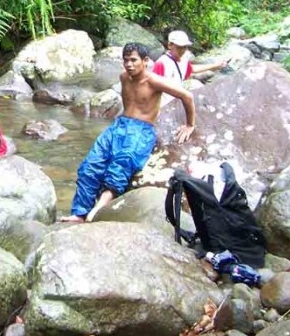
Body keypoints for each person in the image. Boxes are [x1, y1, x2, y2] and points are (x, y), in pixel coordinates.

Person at [61, 42, 196, 224]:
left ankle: (99, 209)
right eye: (126, 60)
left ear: (145, 61)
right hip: (119, 125)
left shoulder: (154, 81)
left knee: (121, 165)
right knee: (90, 166)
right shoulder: (124, 77)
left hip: (141, 130)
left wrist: (190, 125)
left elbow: (187, 96)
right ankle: (79, 213)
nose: (129, 65)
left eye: (134, 60)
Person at [153, 30, 228, 106]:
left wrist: (215, 66)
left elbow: (192, 69)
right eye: (179, 47)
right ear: (170, 45)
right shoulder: (161, 63)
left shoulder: (182, 61)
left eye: (184, 47)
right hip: (163, 104)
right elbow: (154, 88)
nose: (182, 50)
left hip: (175, 101)